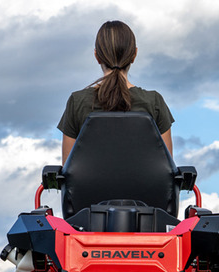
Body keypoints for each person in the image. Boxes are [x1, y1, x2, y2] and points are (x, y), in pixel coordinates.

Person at [57, 20, 174, 164]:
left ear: (97, 57)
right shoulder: (154, 102)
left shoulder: (77, 102)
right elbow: (167, 171)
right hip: (144, 187)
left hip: (91, 187)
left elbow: (68, 173)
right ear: (134, 55)